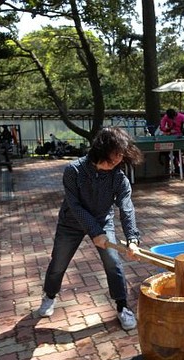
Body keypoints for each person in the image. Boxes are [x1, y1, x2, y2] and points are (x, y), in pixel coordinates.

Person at [38, 127, 144, 331]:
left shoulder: (118, 177)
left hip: (103, 220)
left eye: (120, 157)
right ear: (101, 151)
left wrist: (132, 239)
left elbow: (126, 207)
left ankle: (122, 307)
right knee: (58, 262)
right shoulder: (73, 170)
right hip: (71, 222)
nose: (117, 162)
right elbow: (75, 206)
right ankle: (50, 295)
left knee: (113, 262)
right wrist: (95, 232)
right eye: (113, 157)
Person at [160, 109, 184, 175]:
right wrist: (167, 130)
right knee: (166, 152)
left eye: (172, 117)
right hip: (170, 136)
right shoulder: (166, 117)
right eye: (170, 118)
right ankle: (170, 168)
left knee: (177, 153)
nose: (172, 119)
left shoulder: (182, 117)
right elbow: (162, 126)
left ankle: (181, 169)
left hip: (179, 136)